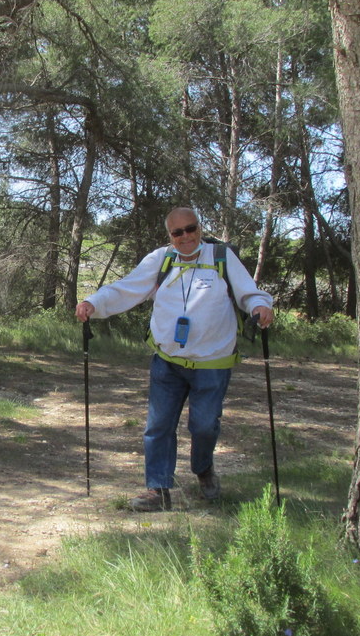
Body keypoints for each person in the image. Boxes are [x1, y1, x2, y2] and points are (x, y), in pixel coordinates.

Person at [75, 207, 274, 511]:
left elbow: (249, 292)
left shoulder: (221, 256)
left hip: (213, 363)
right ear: (169, 236)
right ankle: (158, 489)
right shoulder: (161, 259)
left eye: (190, 229)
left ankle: (203, 470)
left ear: (199, 227)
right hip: (167, 361)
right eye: (177, 232)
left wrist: (260, 307)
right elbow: (126, 289)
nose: (185, 237)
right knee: (159, 426)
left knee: (205, 426)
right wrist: (93, 303)